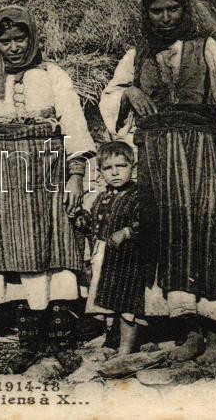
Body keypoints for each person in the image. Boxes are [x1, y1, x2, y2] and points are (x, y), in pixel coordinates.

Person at [98, 0, 216, 366]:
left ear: (186, 10)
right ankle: (189, 330)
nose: (165, 17)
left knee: (209, 230)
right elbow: (109, 96)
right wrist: (129, 91)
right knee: (170, 235)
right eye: (157, 11)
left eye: (173, 9)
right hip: (157, 157)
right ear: (146, 14)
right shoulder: (137, 54)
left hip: (202, 150)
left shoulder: (206, 48)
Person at [0, 6, 96, 373]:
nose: (13, 47)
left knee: (58, 251)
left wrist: (76, 176)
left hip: (50, 174)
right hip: (7, 181)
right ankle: (29, 345)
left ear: (32, 37)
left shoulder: (54, 75)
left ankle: (62, 343)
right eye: (5, 41)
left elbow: (75, 128)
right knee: (18, 256)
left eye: (20, 38)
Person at [77, 141, 144, 356]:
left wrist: (127, 231)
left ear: (133, 167)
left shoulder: (138, 196)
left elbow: (147, 222)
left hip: (129, 260)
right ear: (100, 172)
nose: (115, 173)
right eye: (108, 168)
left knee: (126, 305)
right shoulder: (101, 197)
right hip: (105, 259)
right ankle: (111, 340)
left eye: (121, 166)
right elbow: (94, 221)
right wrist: (82, 219)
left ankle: (125, 350)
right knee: (108, 303)